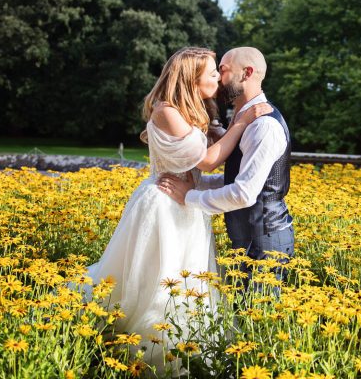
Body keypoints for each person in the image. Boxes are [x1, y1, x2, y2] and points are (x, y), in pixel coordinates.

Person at [82, 47, 270, 368]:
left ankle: (187, 349)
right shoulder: (166, 110)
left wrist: (223, 128)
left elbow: (209, 156)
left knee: (187, 281)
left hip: (187, 205)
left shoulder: (196, 109)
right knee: (158, 279)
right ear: (191, 77)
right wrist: (242, 122)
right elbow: (208, 160)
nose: (218, 78)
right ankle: (144, 351)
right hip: (163, 206)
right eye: (212, 73)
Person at [158, 47, 294, 286]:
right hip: (251, 237)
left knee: (259, 317)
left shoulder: (263, 126)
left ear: (246, 73)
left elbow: (243, 193)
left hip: (265, 242)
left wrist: (189, 197)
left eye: (223, 70)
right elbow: (237, 178)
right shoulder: (246, 121)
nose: (218, 77)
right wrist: (194, 185)